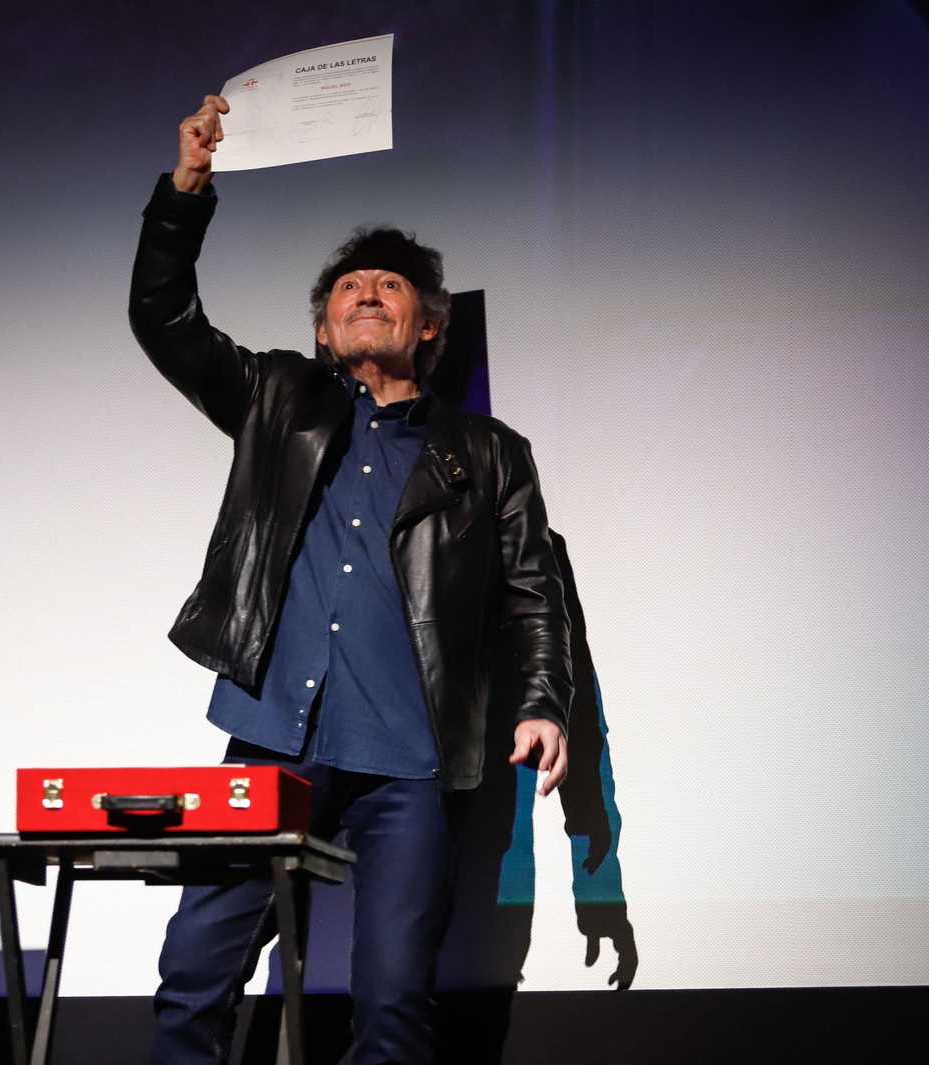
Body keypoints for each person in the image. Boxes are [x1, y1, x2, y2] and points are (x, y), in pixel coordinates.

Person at [130, 96, 574, 1065]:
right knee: (194, 972)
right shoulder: (278, 400)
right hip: (274, 739)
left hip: (411, 760)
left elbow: (534, 592)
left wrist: (542, 704)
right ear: (326, 332)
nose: (367, 292)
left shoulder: (489, 454)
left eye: (390, 284)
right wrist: (187, 191)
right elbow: (163, 318)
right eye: (347, 288)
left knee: (391, 1006)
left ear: (430, 326)